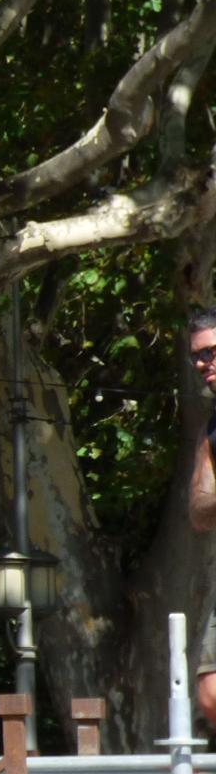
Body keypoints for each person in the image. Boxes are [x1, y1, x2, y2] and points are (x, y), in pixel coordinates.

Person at [187, 310, 216, 729]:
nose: (203, 363)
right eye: (198, 356)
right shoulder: (213, 430)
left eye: (212, 352)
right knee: (211, 692)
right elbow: (198, 508)